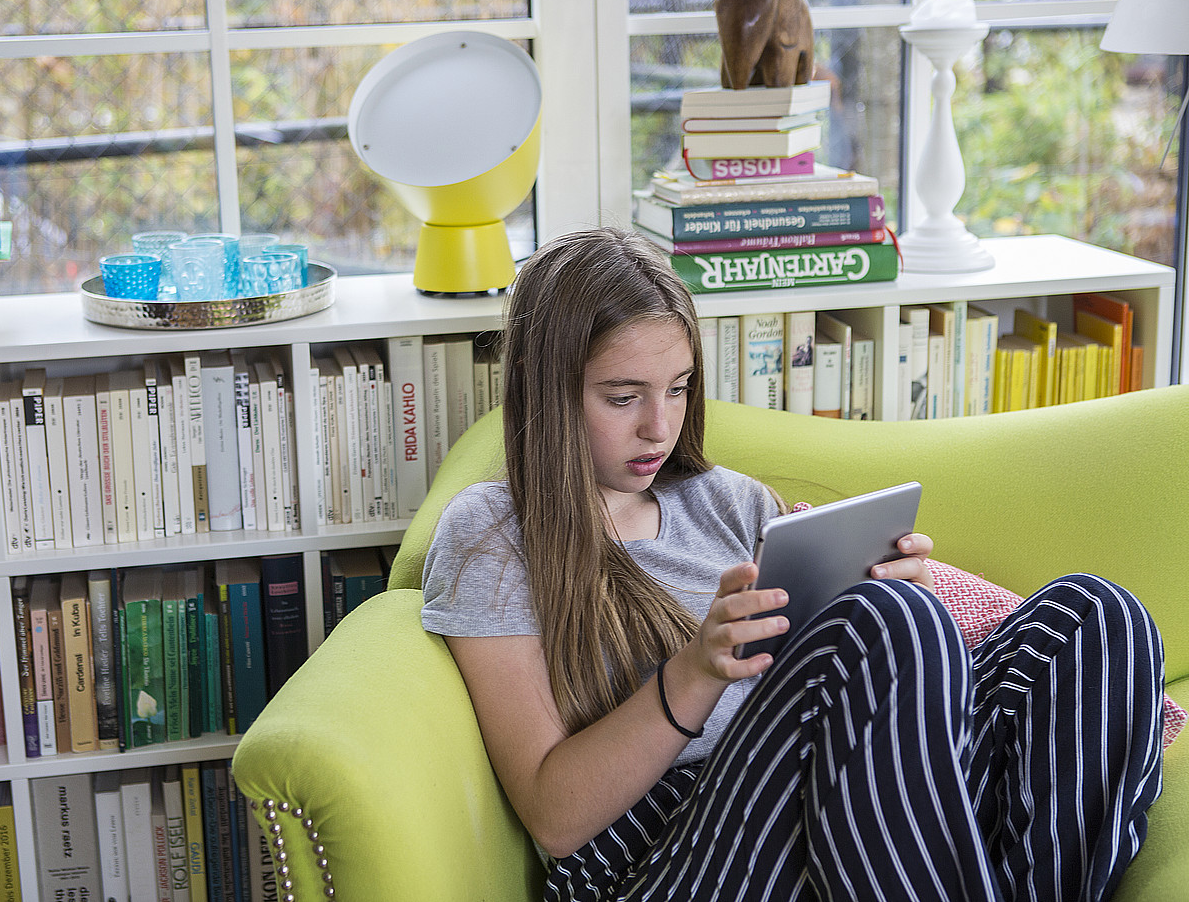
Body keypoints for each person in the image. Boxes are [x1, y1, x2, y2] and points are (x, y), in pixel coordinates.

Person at [420, 227, 1167, 902]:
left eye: (678, 390)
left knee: (1098, 618)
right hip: (657, 853)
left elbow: (872, 681)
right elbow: (553, 819)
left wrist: (921, 611)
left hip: (833, 812)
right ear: (546, 391)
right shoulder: (491, 535)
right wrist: (698, 670)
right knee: (883, 626)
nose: (660, 425)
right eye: (624, 397)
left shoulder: (731, 504)